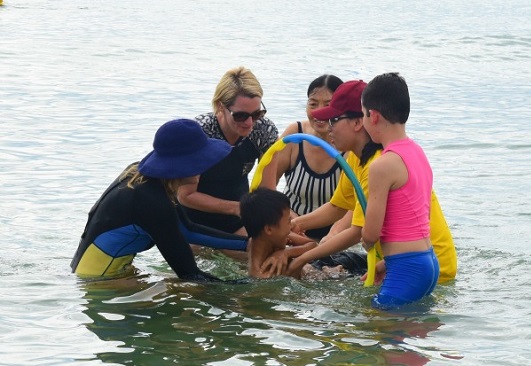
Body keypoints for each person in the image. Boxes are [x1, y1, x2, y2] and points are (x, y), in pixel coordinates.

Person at [275, 79, 456, 288]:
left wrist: (301, 257)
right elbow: (337, 206)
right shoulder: (355, 157)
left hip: (424, 267)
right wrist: (294, 225)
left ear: (359, 121)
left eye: (333, 120)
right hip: (400, 261)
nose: (328, 129)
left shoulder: (379, 164)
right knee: (323, 265)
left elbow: (358, 232)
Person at [71, 119, 249, 281]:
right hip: (99, 281)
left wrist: (247, 244)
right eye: (201, 161)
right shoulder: (151, 201)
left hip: (92, 269)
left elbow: (187, 231)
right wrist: (249, 287)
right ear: (183, 165)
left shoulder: (142, 178)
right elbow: (189, 274)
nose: (205, 168)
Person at [360, 72, 440, 308]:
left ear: (373, 116)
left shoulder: (382, 165)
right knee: (408, 334)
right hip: (428, 261)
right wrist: (388, 264)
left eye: (363, 114)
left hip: (409, 267)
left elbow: (371, 233)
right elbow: (416, 218)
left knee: (382, 329)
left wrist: (366, 243)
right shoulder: (417, 152)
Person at [178, 67, 279, 239]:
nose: (249, 123)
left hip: (238, 220)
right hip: (192, 221)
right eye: (240, 116)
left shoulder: (264, 130)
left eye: (256, 114)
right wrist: (236, 208)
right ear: (220, 106)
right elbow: (185, 195)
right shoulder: (199, 133)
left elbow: (266, 190)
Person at [261, 74, 344, 241]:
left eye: (328, 105)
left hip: (335, 235)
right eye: (313, 104)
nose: (319, 111)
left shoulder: (349, 145)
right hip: (290, 228)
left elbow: (355, 205)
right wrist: (289, 222)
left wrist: (332, 237)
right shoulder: (294, 134)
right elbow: (267, 187)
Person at [240, 188, 349, 280]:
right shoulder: (267, 274)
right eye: (288, 221)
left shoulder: (268, 237)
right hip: (326, 275)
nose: (291, 225)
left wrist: (287, 252)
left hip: (326, 264)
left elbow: (312, 245)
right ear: (269, 230)